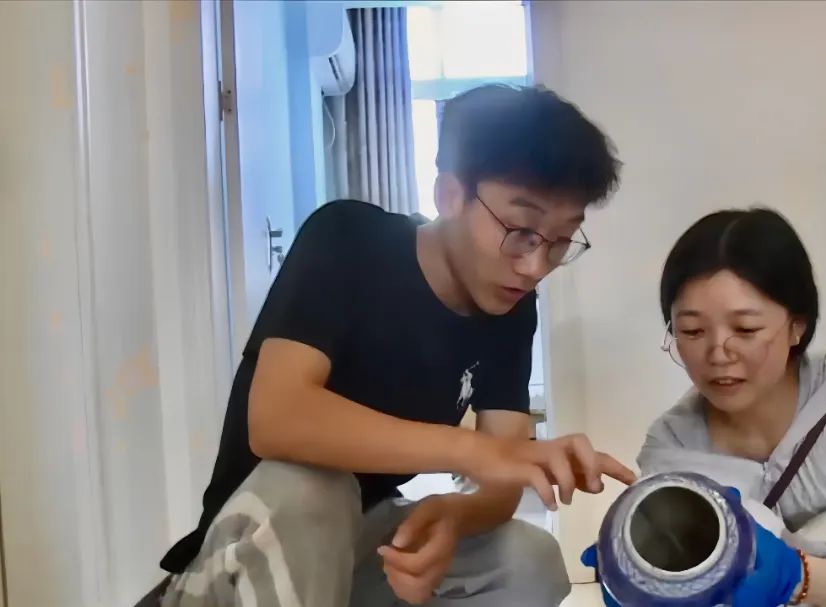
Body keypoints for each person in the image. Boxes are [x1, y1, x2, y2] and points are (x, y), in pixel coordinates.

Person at [155, 85, 636, 607]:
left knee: (529, 559)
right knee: (316, 491)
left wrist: (454, 515)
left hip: (359, 539)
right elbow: (277, 417)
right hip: (252, 547)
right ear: (450, 196)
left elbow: (501, 476)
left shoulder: (512, 309)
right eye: (521, 231)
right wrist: (470, 449)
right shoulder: (349, 239)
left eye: (561, 241)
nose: (535, 266)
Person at [587, 208, 826, 607]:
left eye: (745, 329)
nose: (718, 353)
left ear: (797, 325)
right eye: (692, 331)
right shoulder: (673, 445)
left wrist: (799, 576)